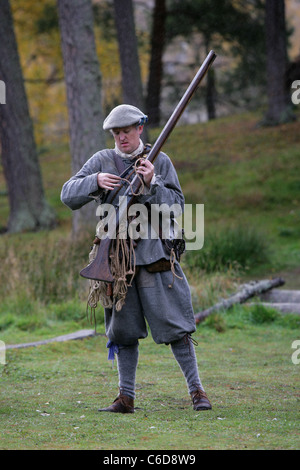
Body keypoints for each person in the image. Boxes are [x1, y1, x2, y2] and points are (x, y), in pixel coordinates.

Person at [61, 104, 212, 413]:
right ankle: (125, 397)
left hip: (156, 258)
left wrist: (153, 182)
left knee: (176, 328)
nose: (121, 138)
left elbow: (177, 206)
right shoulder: (102, 160)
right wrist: (96, 181)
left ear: (140, 128)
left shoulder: (161, 162)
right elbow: (67, 194)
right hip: (116, 263)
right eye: (116, 133)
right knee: (123, 331)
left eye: (126, 132)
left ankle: (197, 392)